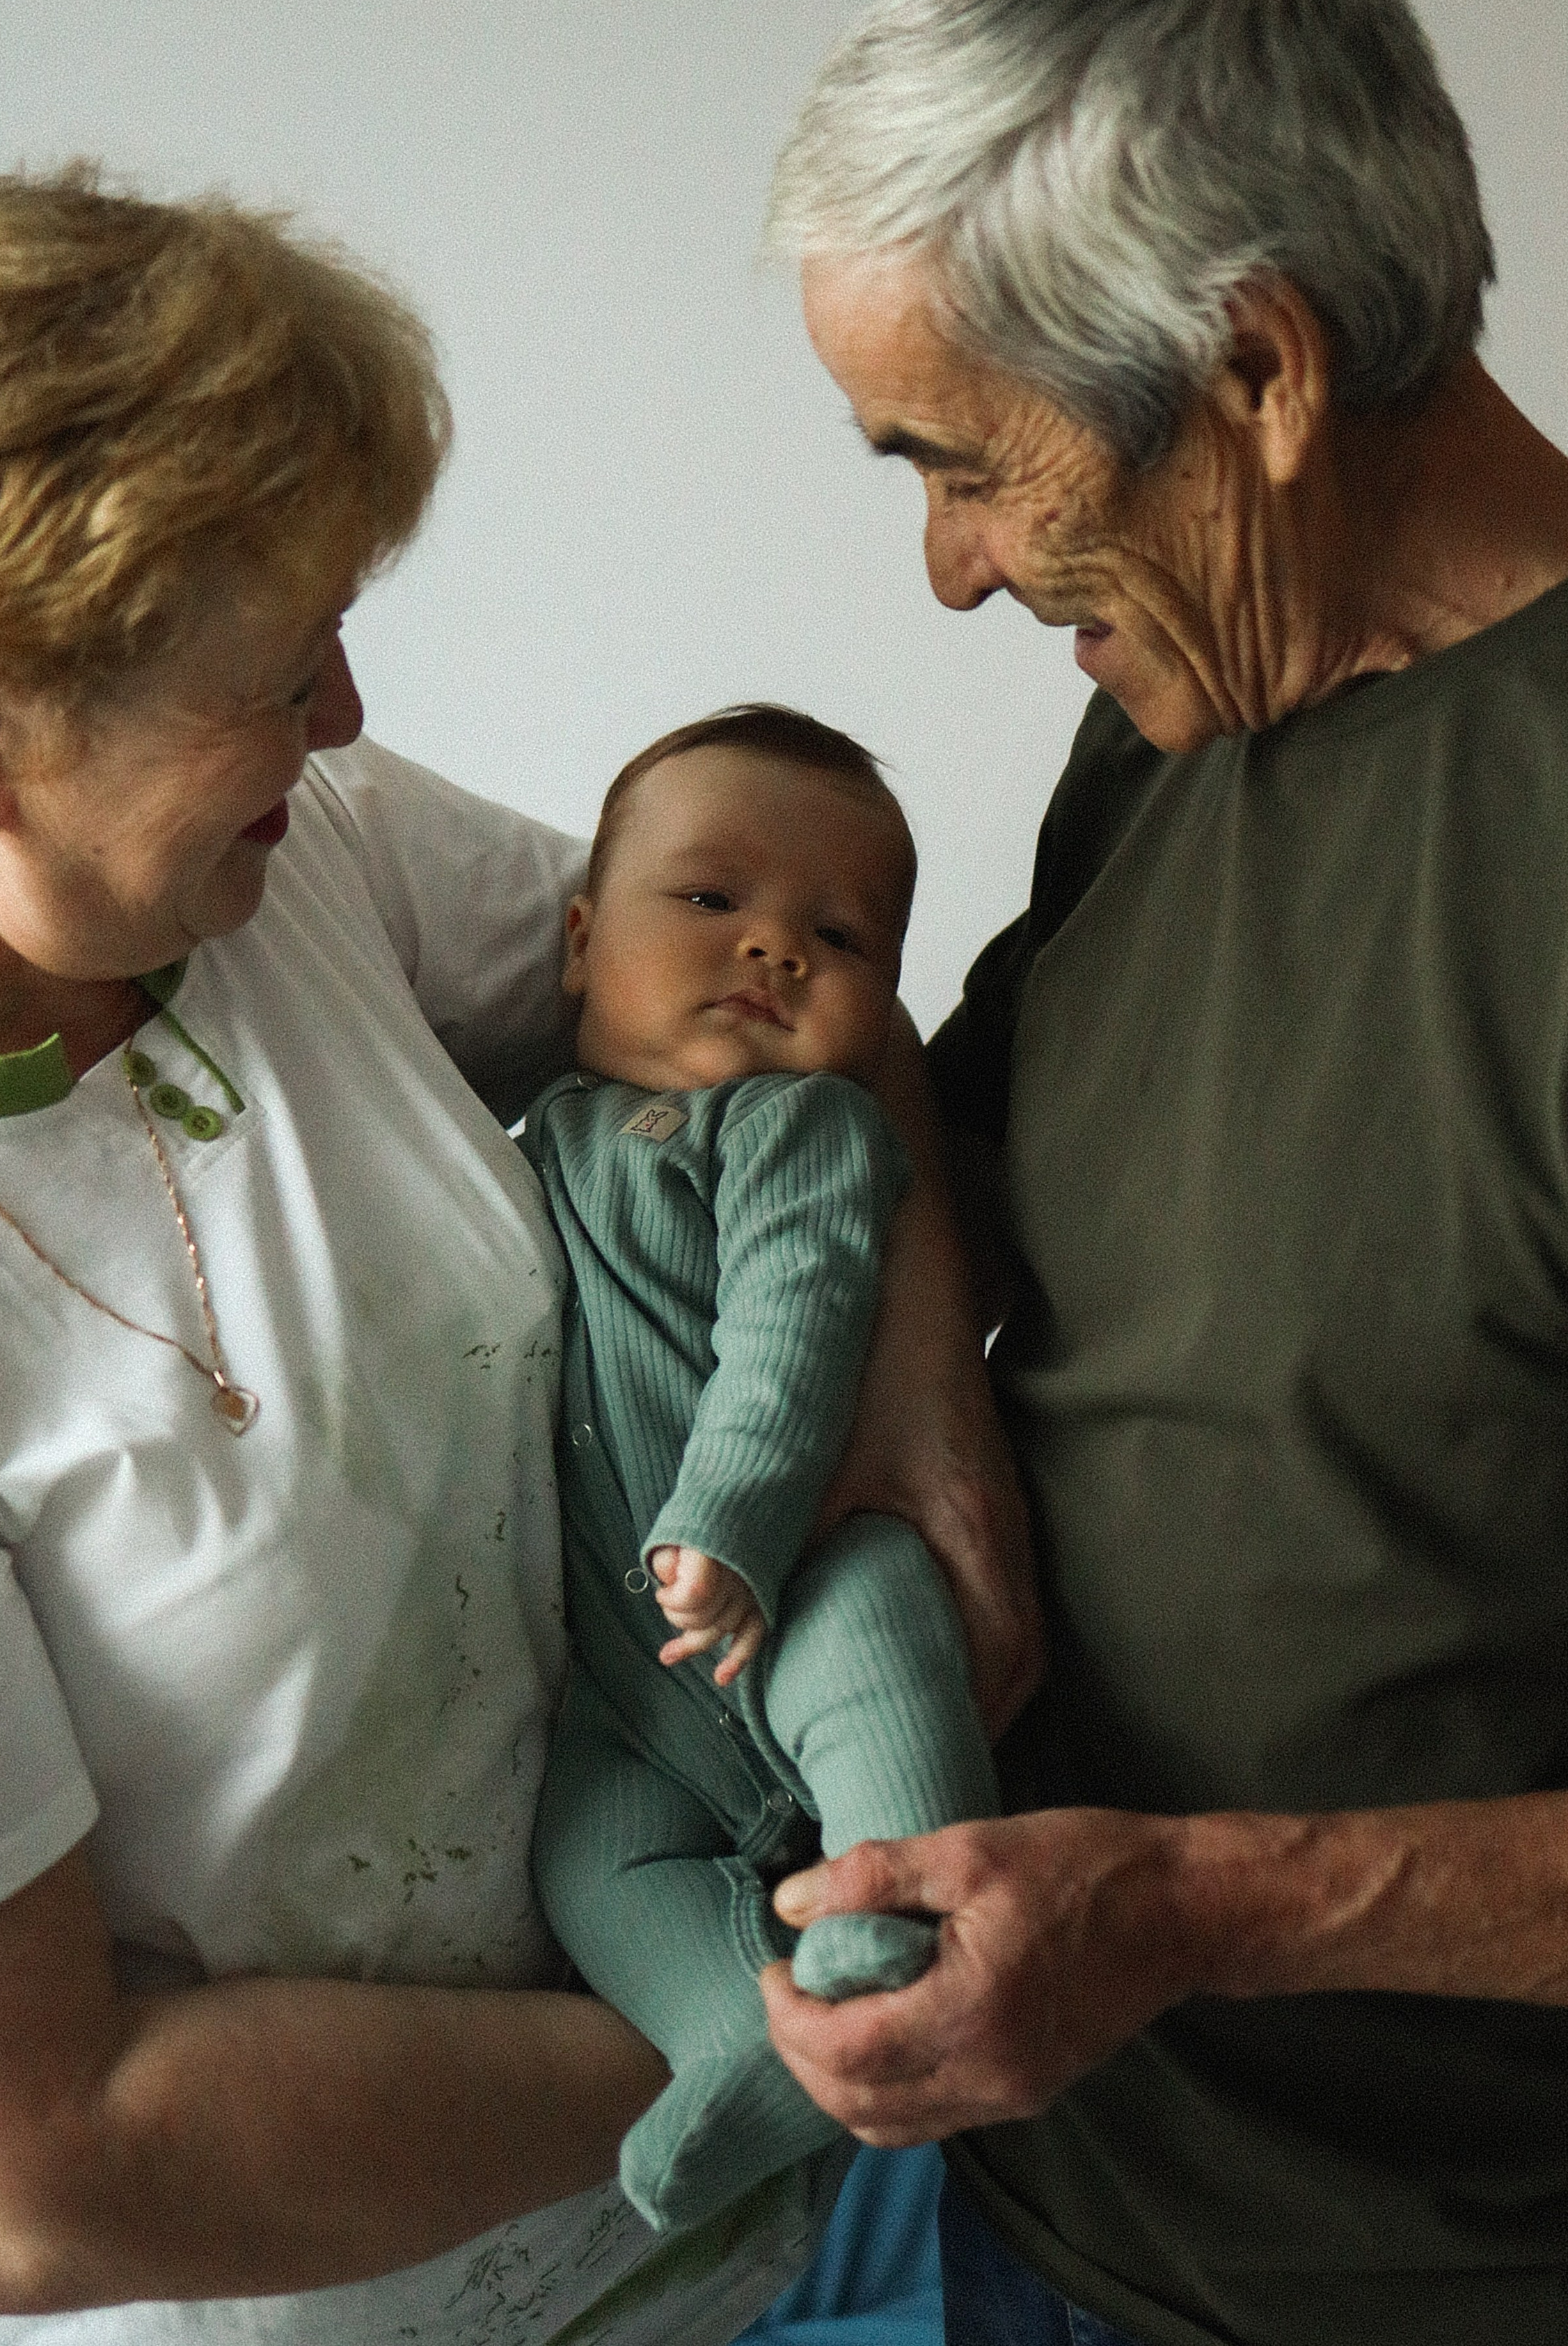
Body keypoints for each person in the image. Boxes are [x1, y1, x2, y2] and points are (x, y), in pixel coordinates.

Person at [0, 170, 1032, 2346]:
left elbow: (796, 1000)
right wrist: (762, 2044)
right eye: (283, 668)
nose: (354, 713)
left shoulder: (304, 858)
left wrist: (934, 1438)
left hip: (751, 2262)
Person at [757, 0, 1568, 2346]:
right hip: (1002, 2203)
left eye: (971, 467)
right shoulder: (1190, 724)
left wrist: (1187, 1908)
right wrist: (916, 1391)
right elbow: (956, 1139)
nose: (945, 569)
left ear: (1257, 371)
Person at [525, 706, 999, 2235]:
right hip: (628, 1682)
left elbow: (790, 1334)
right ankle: (743, 2035)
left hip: (800, 1562)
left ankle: (888, 1936)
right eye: (709, 900)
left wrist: (730, 1520)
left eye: (839, 934)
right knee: (587, 1852)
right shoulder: (532, 1142)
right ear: (579, 941)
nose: (773, 950)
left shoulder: (800, 1133)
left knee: (882, 1671)